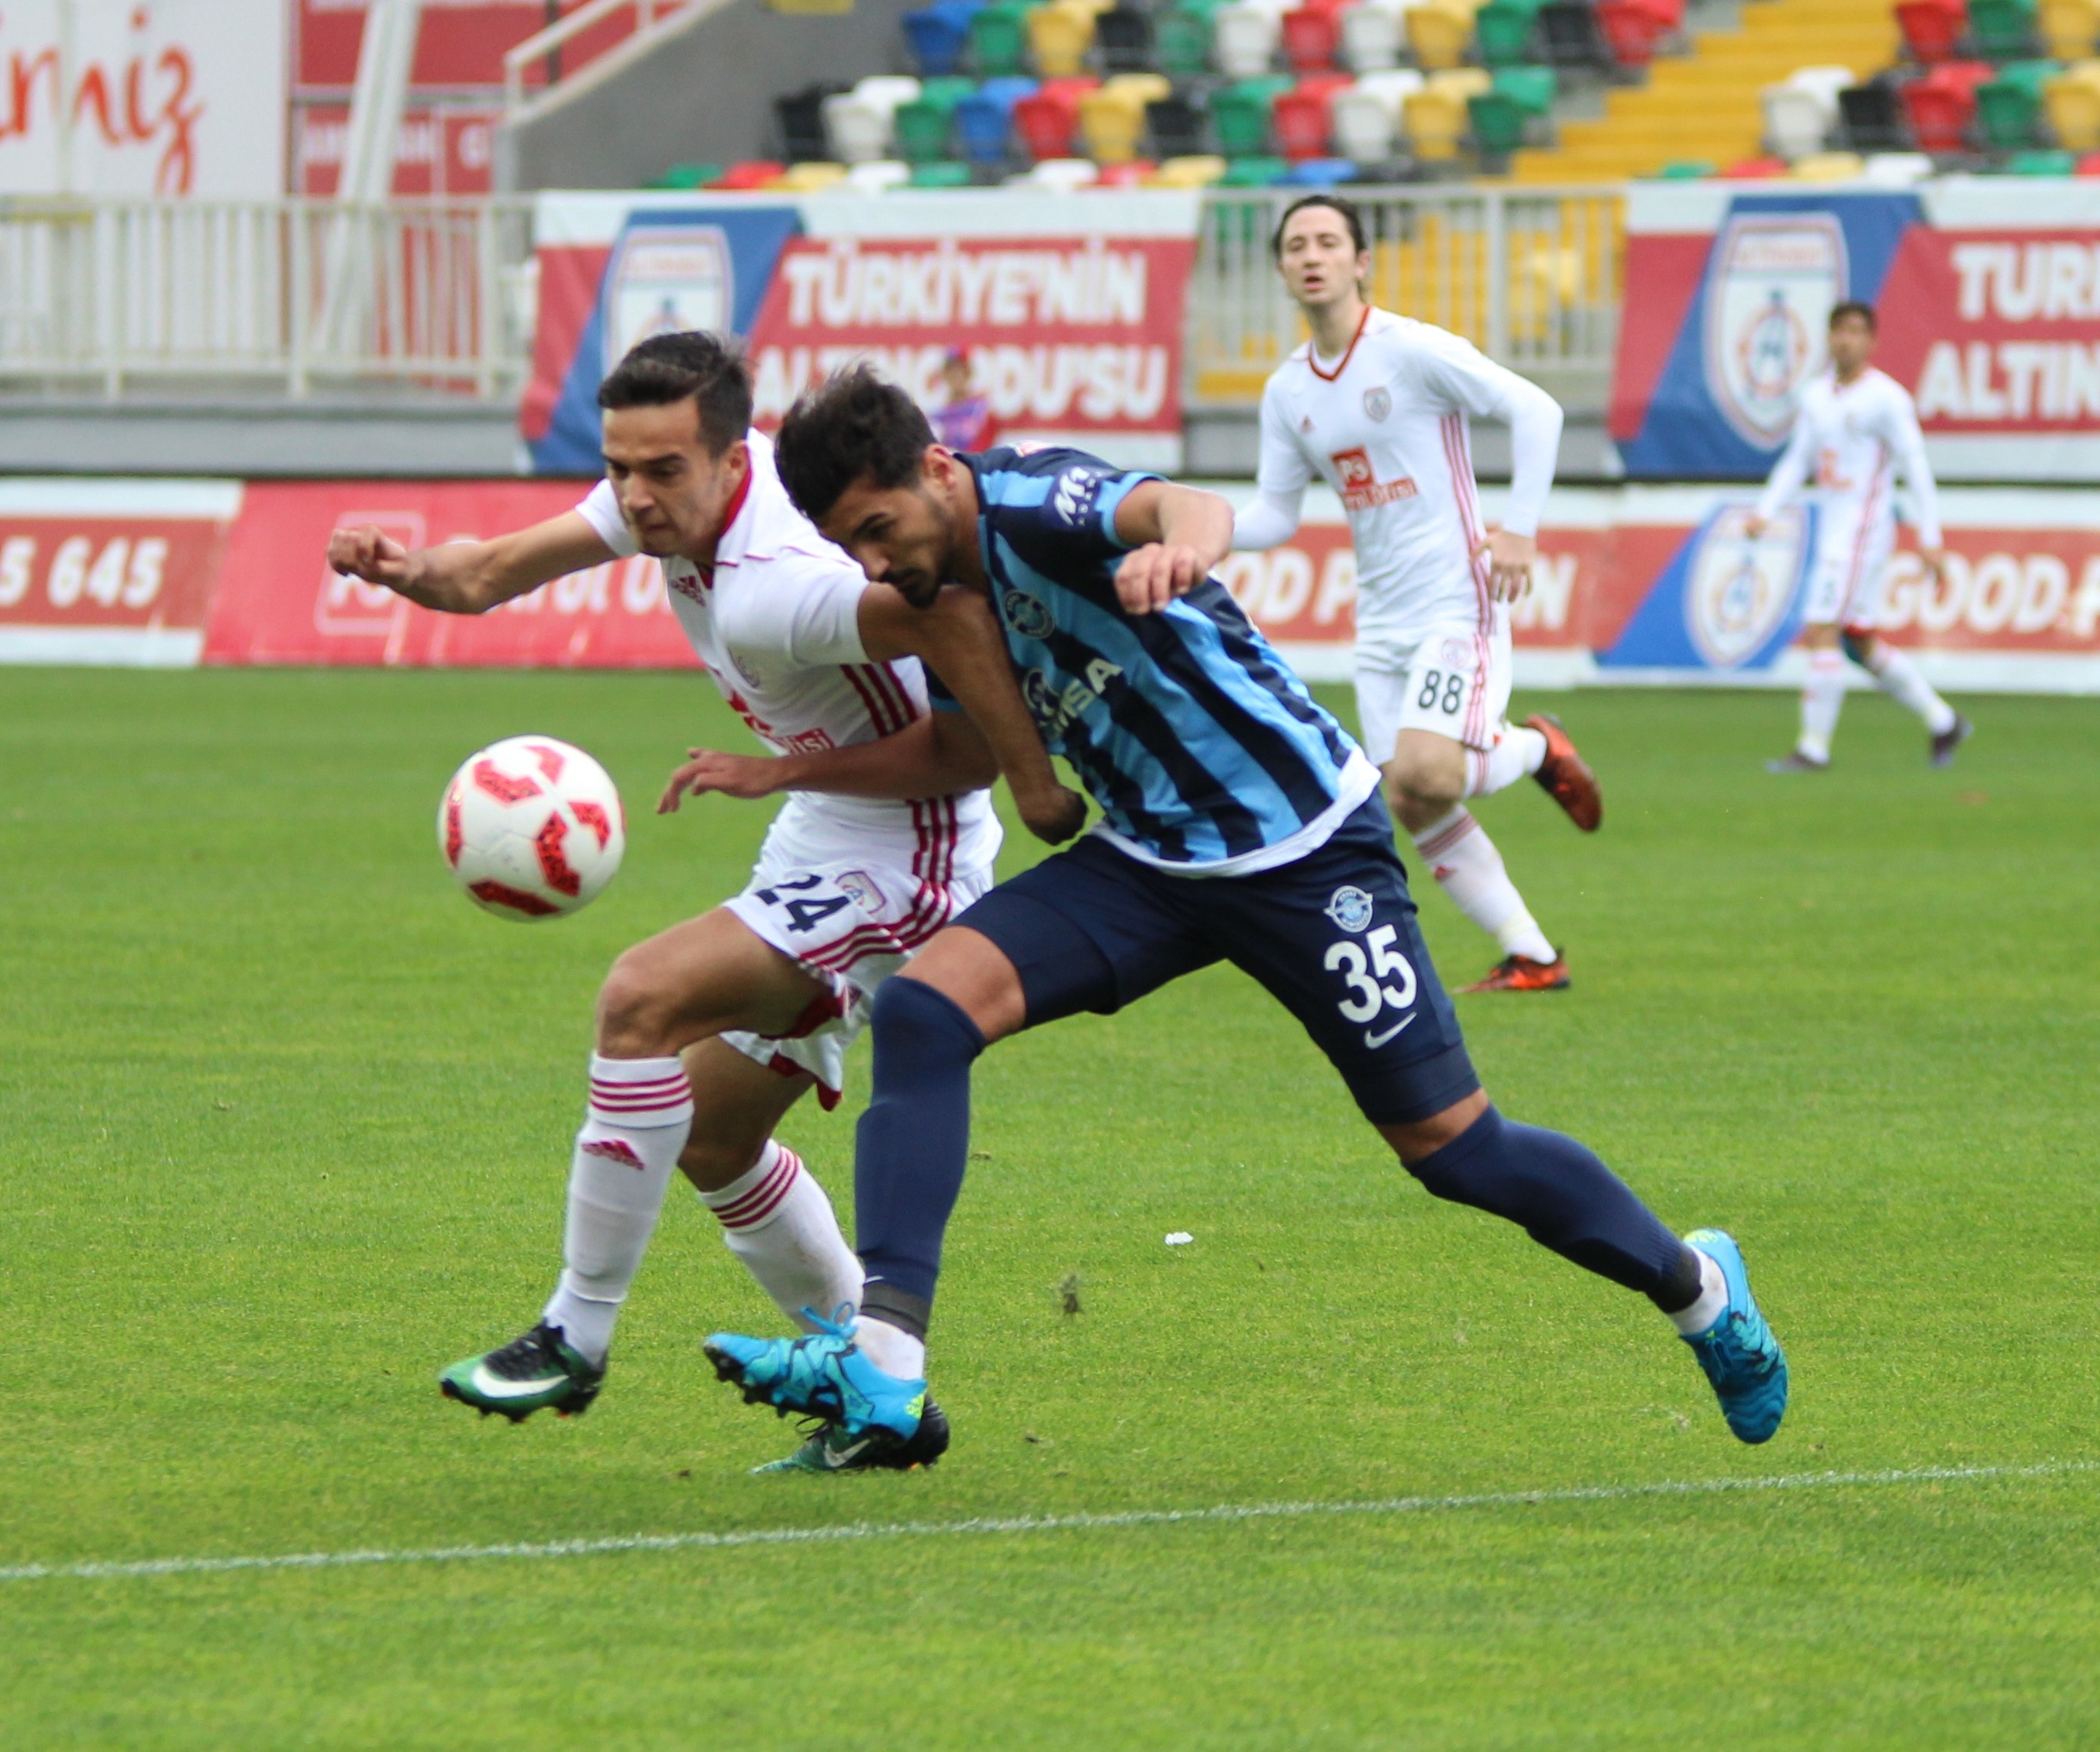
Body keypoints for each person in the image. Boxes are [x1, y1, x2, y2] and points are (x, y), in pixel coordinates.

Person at [698, 365, 1790, 1461]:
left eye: (880, 529)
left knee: (1455, 1150)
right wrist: (790, 773)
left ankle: (1698, 1288)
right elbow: (963, 748)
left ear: (939, 470)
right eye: (854, 549)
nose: (878, 565)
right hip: (1150, 866)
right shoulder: (938, 593)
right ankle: (885, 1361)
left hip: (1309, 854)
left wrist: (1184, 548)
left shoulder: (1036, 502)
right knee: (929, 1012)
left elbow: (1181, 506)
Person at [325, 333, 1060, 1473]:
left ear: (729, 460)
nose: (633, 494)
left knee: (641, 1000)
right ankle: (873, 1396)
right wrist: (403, 567)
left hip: (909, 847)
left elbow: (954, 631)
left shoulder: (781, 588)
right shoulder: (671, 495)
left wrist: (1029, 777)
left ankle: (575, 1332)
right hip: (830, 824)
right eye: (621, 466)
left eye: (662, 471)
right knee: (711, 1134)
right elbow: (486, 574)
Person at [1232, 194, 1597, 995]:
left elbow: (1536, 409)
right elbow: (1272, 514)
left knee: (1427, 772)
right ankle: (1532, 953)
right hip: (1380, 620)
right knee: (1408, 800)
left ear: (1360, 261)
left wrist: (1520, 528)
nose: (1311, 254)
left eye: (1328, 241)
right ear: (1282, 269)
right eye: (1296, 244)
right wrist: (1188, 529)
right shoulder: (1287, 391)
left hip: (1453, 598)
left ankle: (1536, 747)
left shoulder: (1410, 349)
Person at [1750, 301, 1971, 774]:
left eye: (1856, 331)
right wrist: (1765, 509)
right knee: (1858, 641)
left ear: (1871, 341)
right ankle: (1943, 720)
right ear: (1828, 338)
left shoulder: (1886, 399)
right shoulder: (1815, 397)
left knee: (1821, 628)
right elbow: (1798, 459)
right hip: (1834, 530)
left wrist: (1930, 536)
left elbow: (1915, 466)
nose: (1846, 339)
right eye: (1839, 331)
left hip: (1863, 533)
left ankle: (1813, 748)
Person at [928, 349, 997, 452]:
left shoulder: (981, 409)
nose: (956, 375)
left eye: (960, 370)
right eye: (951, 370)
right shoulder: (938, 415)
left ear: (968, 373)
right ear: (945, 375)